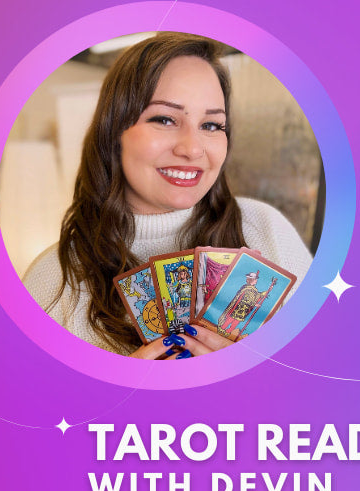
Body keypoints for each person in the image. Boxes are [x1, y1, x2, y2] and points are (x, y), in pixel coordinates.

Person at [23, 33, 312, 359]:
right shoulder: (52, 281)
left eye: (212, 125)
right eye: (164, 119)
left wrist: (259, 381)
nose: (192, 148)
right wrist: (111, 399)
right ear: (113, 131)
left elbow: (340, 377)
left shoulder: (268, 230)